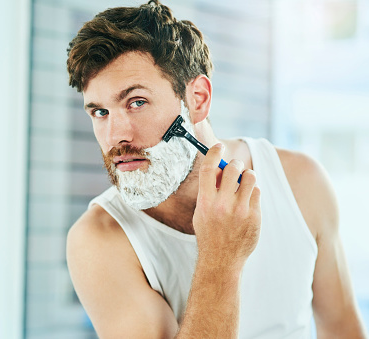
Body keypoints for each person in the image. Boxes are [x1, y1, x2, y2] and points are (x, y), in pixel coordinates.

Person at [65, 1, 367, 338]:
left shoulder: (301, 183)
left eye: (136, 102)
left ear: (197, 99)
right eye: (100, 112)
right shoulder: (99, 240)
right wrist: (221, 257)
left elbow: (342, 328)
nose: (115, 136)